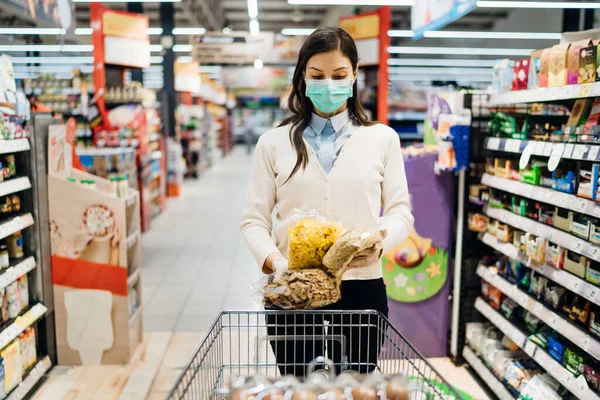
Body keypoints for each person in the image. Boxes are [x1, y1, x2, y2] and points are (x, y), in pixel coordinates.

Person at [240, 26, 414, 377]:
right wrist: (277, 263)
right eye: (317, 75)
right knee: (299, 382)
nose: (328, 83)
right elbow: (254, 220)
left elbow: (399, 211)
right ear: (303, 77)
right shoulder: (274, 143)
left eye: (339, 75)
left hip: (361, 283)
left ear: (353, 77)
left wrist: (378, 244)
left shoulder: (381, 139)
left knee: (355, 383)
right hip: (292, 287)